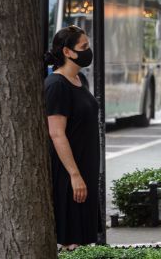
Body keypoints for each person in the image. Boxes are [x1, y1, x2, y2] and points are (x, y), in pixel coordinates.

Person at [44, 25, 100, 250]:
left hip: (85, 167)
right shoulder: (56, 85)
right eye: (83, 47)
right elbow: (56, 134)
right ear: (67, 52)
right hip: (69, 173)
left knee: (83, 237)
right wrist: (74, 175)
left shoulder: (79, 80)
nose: (88, 51)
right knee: (71, 240)